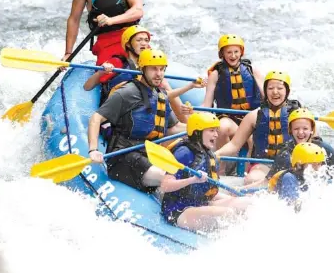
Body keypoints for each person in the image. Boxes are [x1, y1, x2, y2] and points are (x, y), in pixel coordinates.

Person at [88, 49, 186, 192]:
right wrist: (93, 150)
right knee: (164, 176)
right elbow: (96, 118)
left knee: (181, 171)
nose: (159, 74)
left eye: (161, 69)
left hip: (149, 152)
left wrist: (200, 127)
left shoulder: (159, 95)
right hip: (122, 155)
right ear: (142, 69)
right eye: (153, 69)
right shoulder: (127, 92)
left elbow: (173, 128)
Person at [161, 112, 252, 231]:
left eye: (216, 131)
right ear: (197, 132)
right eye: (211, 131)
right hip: (179, 210)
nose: (216, 135)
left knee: (248, 203)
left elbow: (208, 192)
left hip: (200, 203)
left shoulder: (208, 155)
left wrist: (230, 195)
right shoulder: (184, 153)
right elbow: (165, 186)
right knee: (228, 214)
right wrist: (192, 180)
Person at [216, 71, 301, 183]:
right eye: (270, 88)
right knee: (252, 179)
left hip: (292, 162)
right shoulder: (253, 116)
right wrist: (216, 154)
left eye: (280, 88)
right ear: (265, 91)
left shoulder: (299, 116)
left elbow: (313, 141)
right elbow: (234, 144)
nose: (275, 92)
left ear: (287, 91)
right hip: (264, 164)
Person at [202, 34, 263, 152]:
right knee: (222, 127)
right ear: (222, 54)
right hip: (228, 117)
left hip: (249, 118)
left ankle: (245, 169)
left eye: (236, 51)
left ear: (241, 52)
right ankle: (221, 167)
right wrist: (195, 114)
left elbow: (267, 96)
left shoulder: (252, 70)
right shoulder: (216, 74)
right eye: (229, 52)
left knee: (252, 140)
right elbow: (207, 104)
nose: (233, 55)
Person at [84, 25, 150, 100]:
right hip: (118, 107)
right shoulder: (117, 62)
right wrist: (101, 72)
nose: (144, 43)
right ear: (128, 44)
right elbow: (87, 87)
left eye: (146, 40)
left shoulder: (150, 65)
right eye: (139, 40)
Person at [266, 108, 334, 179]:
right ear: (290, 130)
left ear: (312, 130)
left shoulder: (325, 149)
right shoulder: (285, 154)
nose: (300, 132)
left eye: (305, 129)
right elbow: (269, 181)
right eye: (296, 129)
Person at [268, 142, 327, 207]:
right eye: (313, 164)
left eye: (319, 164)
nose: (318, 168)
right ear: (299, 165)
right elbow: (292, 206)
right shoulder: (289, 178)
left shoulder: (313, 178)